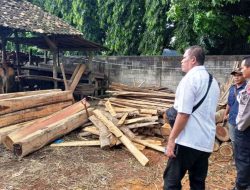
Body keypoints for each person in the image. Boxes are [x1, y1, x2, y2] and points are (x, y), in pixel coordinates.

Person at [163, 45, 220, 190]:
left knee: (171, 183)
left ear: (193, 60)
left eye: (184, 57)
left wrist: (171, 140)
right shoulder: (213, 82)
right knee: (197, 183)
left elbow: (183, 114)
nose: (181, 61)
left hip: (187, 141)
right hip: (205, 143)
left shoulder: (190, 79)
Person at [233, 57, 250, 190]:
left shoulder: (249, 87)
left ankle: (242, 186)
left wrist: (239, 127)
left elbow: (244, 115)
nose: (242, 70)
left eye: (243, 68)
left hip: (245, 130)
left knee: (242, 158)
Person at [223, 68, 247, 162]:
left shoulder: (247, 88)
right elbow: (229, 103)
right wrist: (225, 114)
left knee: (243, 140)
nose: (236, 78)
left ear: (244, 76)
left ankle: (243, 159)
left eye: (239, 75)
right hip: (232, 118)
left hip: (243, 120)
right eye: (235, 76)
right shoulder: (232, 88)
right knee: (233, 140)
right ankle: (236, 159)